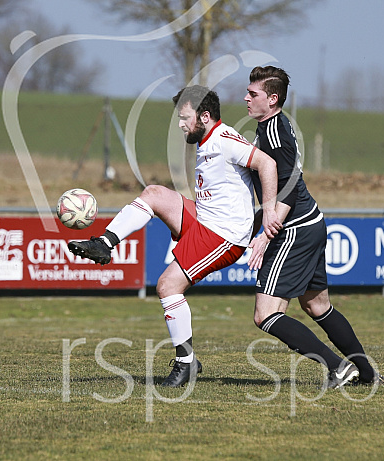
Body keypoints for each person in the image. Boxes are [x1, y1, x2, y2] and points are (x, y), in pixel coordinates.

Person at [68, 85, 282, 387]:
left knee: (168, 285)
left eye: (185, 118)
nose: (181, 124)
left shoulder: (223, 140)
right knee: (154, 193)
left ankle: (186, 363)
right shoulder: (208, 139)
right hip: (205, 220)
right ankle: (104, 244)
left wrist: (269, 211)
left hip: (224, 235)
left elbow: (267, 163)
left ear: (205, 116)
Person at [245, 66, 384, 387]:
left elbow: (289, 188)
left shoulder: (274, 133)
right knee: (317, 304)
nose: (246, 98)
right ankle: (367, 374)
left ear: (273, 98)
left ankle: (339, 367)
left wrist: (266, 234)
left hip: (293, 228)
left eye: (253, 94)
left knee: (265, 314)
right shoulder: (272, 126)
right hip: (311, 222)